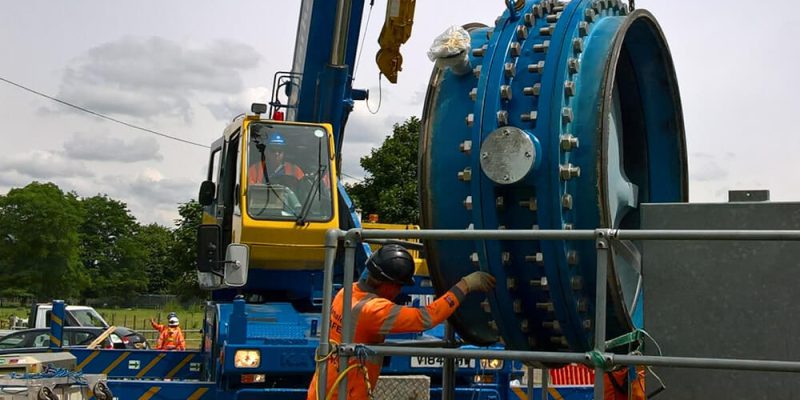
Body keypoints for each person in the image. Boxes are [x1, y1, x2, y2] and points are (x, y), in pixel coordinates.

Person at [307, 244, 496, 400]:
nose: (399, 292)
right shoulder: (374, 310)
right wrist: (465, 285)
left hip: (322, 389)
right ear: (387, 283)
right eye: (399, 286)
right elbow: (426, 318)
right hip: (346, 394)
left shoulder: (347, 292)